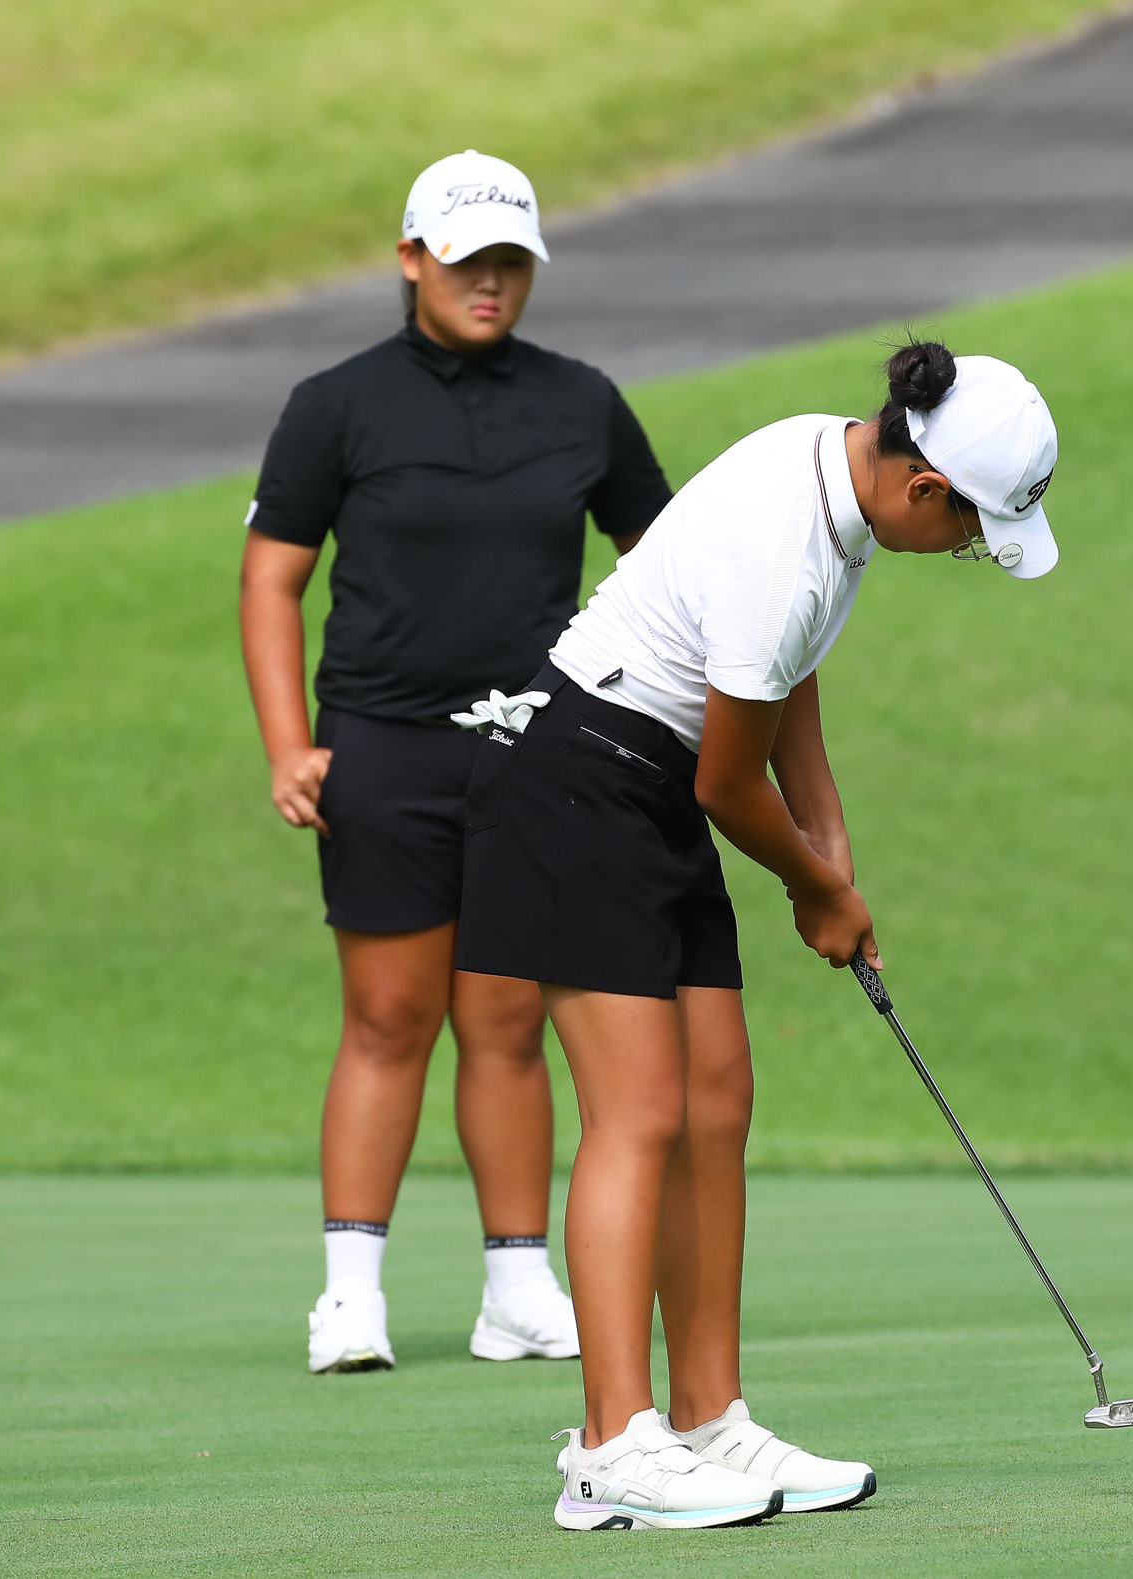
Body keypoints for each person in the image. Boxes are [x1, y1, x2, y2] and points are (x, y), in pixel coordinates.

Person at [451, 340, 1059, 1530]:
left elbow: (785, 680)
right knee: (639, 1112)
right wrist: (814, 891)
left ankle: (707, 1418)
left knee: (715, 1098)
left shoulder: (830, 477)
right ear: (925, 488)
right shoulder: (789, 539)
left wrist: (829, 845)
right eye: (974, 533)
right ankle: (608, 1448)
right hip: (580, 779)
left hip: (651, 777)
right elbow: (733, 787)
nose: (968, 554)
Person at [238, 150, 674, 1375]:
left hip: (530, 750)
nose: (491, 281)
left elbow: (660, 559)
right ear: (411, 259)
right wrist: (288, 743)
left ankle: (517, 1289)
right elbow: (272, 578)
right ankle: (350, 1295)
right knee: (387, 1016)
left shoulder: (582, 401)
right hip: (380, 745)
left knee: (507, 1018)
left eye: (511, 262)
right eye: (467, 258)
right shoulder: (337, 403)